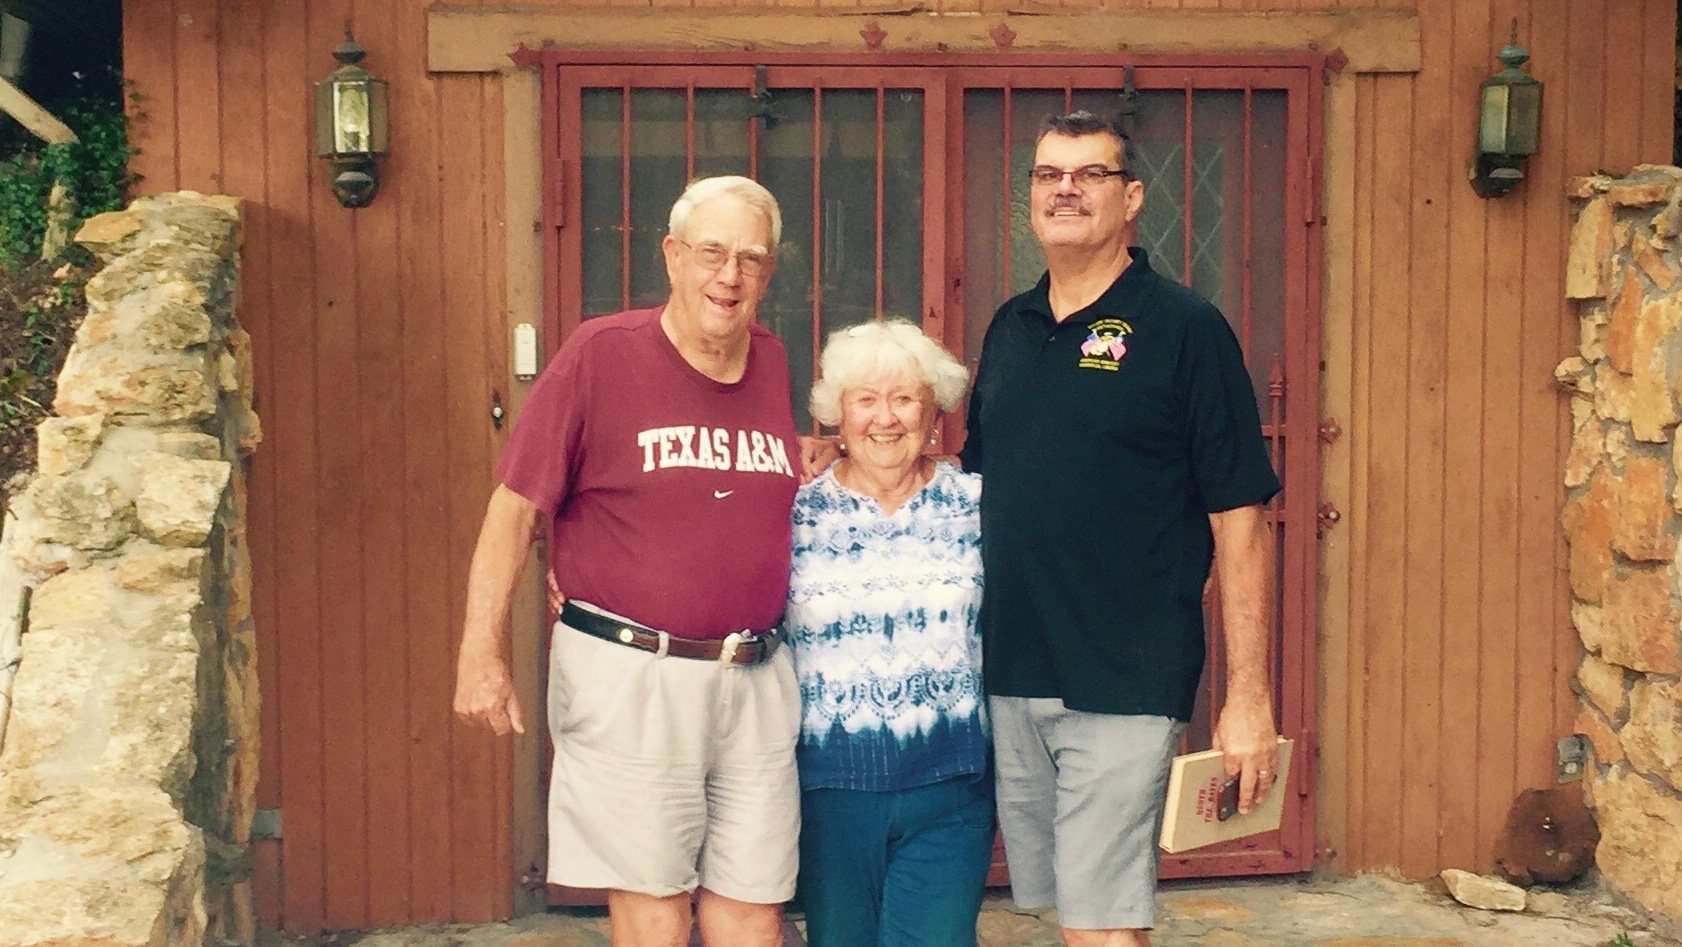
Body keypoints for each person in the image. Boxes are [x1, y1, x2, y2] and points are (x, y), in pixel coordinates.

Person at [452, 175, 803, 947]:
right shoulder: (601, 355)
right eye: (712, 251)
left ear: (769, 272)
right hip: (634, 669)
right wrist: (481, 651)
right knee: (653, 912)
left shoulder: (774, 363)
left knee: (754, 908)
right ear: (673, 256)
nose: (729, 275)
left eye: (750, 258)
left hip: (755, 676)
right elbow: (514, 508)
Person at [960, 111, 1283, 947]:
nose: (1064, 188)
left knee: (1102, 924)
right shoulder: (1010, 328)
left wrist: (1248, 697)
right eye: (1046, 174)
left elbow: (1241, 518)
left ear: (1132, 197)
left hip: (1126, 671)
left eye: (1089, 173)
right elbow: (974, 486)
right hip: (1015, 670)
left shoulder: (1183, 327)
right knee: (1072, 909)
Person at [784, 320, 992, 947]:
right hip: (828, 790)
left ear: (933, 413)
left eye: (903, 399)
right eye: (865, 400)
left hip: (949, 788)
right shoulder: (796, 511)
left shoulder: (977, 504)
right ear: (837, 416)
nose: (885, 418)